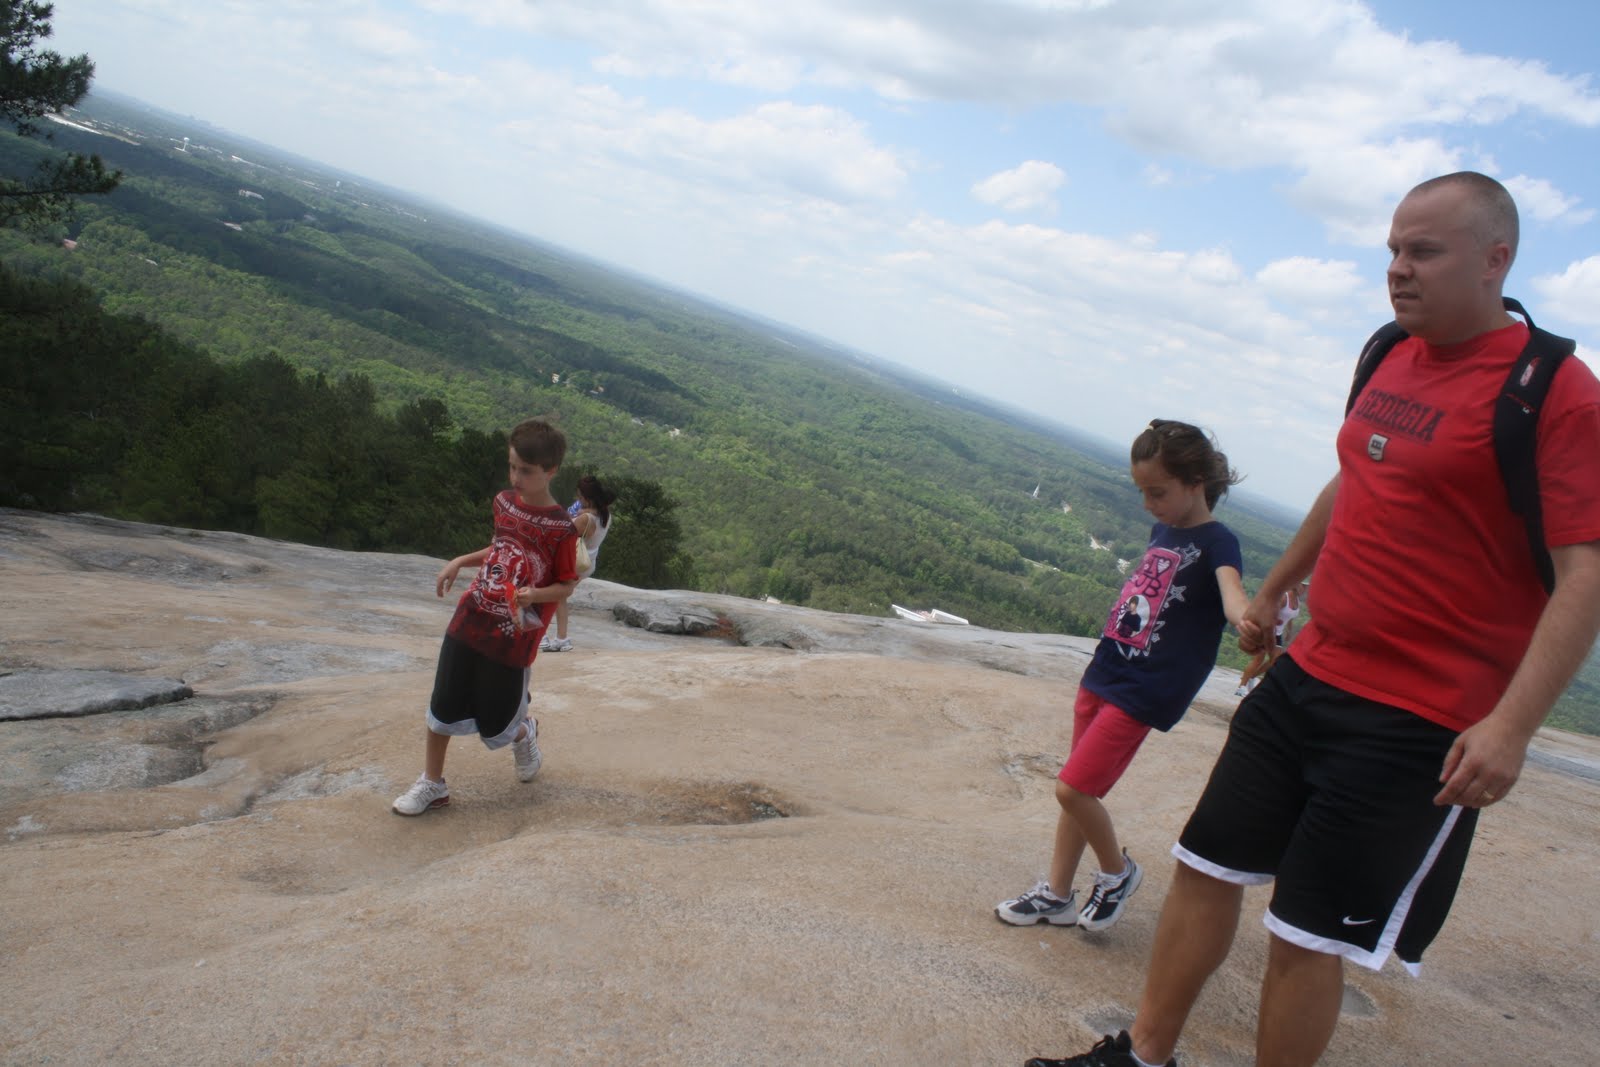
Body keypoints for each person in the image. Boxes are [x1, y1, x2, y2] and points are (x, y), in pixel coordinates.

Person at [1026, 172, 1600, 1067]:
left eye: (1423, 251)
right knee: (1204, 866)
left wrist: (1512, 727)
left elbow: (1585, 574)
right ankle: (1143, 1055)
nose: (1398, 268)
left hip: (1417, 716)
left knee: (1305, 930)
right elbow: (1355, 477)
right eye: (1393, 249)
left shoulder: (1554, 392)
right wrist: (1274, 591)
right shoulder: (1389, 353)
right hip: (1309, 675)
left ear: (1496, 260)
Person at [996, 420, 1250, 934]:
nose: (1147, 504)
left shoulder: (1219, 541)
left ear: (1195, 482)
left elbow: (1232, 596)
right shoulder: (1164, 531)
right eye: (1143, 492)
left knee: (1072, 789)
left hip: (1144, 689)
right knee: (1079, 789)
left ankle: (1118, 873)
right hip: (1107, 669)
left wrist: (1249, 620)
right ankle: (1057, 896)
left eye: (1157, 492)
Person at [392, 418, 581, 816]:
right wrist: (460, 561)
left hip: (513, 634)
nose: (515, 477)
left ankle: (524, 733)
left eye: (525, 471)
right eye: (511, 466)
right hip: (473, 612)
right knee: (444, 698)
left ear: (551, 471)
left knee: (499, 720)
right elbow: (499, 547)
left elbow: (566, 585)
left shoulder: (562, 529)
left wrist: (535, 595)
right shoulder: (504, 503)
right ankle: (432, 783)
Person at [541, 474, 616, 653]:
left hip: (573, 561)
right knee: (559, 596)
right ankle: (561, 639)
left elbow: (562, 534)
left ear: (587, 498)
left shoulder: (585, 518)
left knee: (546, 592)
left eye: (580, 496)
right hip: (586, 563)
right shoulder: (605, 515)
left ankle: (541, 635)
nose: (578, 499)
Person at [1233, 584, 1301, 696]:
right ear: (1296, 585)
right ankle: (1241, 687)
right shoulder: (1284, 598)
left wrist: (1289, 631)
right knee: (1258, 660)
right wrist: (1266, 629)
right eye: (1303, 586)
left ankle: (1252, 677)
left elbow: (1290, 618)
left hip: (1278, 633)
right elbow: (1270, 612)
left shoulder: (1297, 601)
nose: (1304, 589)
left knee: (1275, 660)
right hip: (1268, 630)